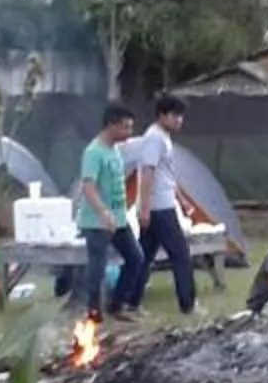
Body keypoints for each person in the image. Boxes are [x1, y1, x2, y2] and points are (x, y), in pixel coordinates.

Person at [120, 94, 196, 316]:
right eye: (175, 115)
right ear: (162, 115)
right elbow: (147, 172)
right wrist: (144, 208)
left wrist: (181, 199)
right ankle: (187, 303)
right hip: (159, 207)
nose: (179, 120)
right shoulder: (154, 138)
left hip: (161, 203)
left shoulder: (163, 138)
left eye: (181, 116)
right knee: (180, 253)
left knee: (144, 256)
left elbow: (166, 176)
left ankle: (130, 302)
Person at [73, 101, 144, 320]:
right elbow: (88, 186)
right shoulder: (94, 152)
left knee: (136, 258)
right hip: (97, 222)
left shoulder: (115, 151)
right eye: (125, 127)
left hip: (119, 219)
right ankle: (93, 313)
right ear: (111, 125)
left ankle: (117, 305)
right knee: (98, 267)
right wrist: (103, 212)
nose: (129, 132)